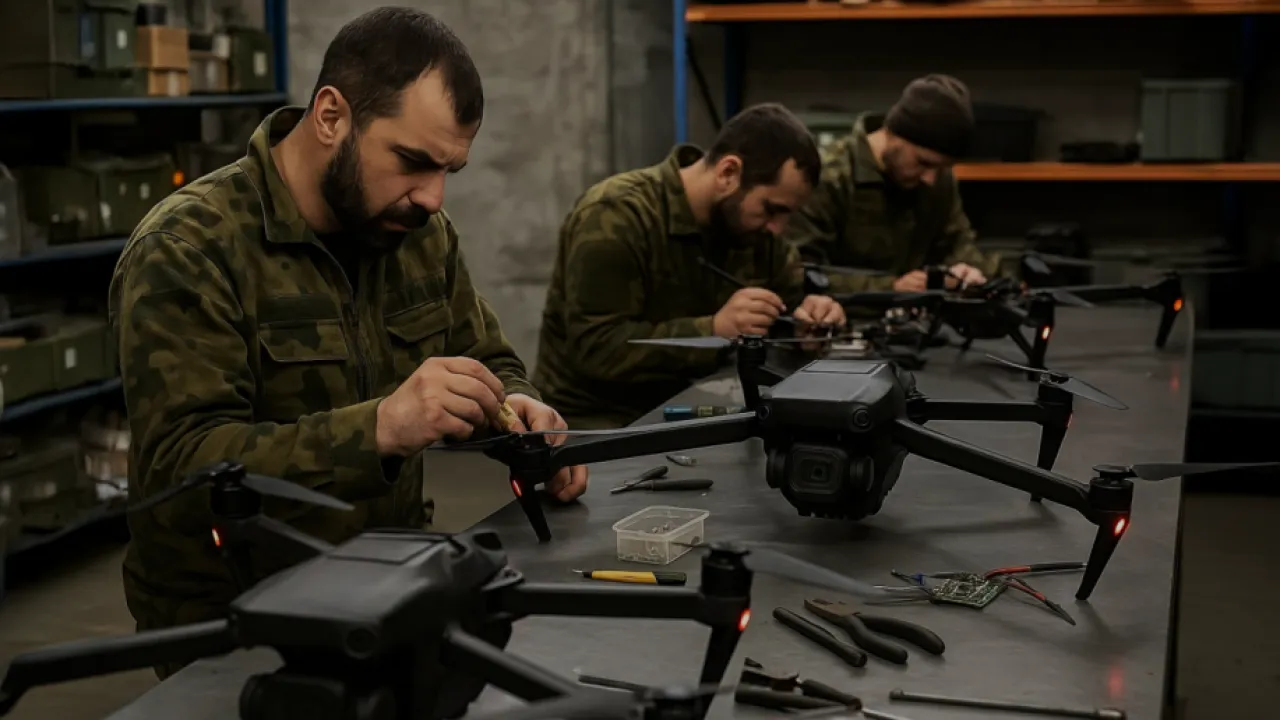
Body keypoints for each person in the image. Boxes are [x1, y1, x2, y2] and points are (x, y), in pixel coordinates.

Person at [108, 7, 586, 677]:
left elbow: (484, 355)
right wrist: (381, 428)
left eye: (449, 171)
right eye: (413, 162)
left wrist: (516, 404)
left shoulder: (418, 236)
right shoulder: (190, 249)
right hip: (238, 629)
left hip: (388, 594)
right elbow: (180, 472)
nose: (432, 198)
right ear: (331, 116)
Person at [533, 103, 847, 429]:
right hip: (595, 421)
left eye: (787, 215)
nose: (778, 229)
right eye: (772, 209)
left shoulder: (758, 234)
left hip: (700, 406)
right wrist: (714, 330)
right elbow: (596, 349)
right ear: (728, 173)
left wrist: (807, 325)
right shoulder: (616, 215)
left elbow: (789, 306)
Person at [783, 74, 1003, 295]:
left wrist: (968, 270)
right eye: (923, 162)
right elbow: (800, 273)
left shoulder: (937, 179)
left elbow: (957, 243)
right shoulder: (829, 178)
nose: (930, 179)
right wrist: (890, 288)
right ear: (893, 134)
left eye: (941, 168)